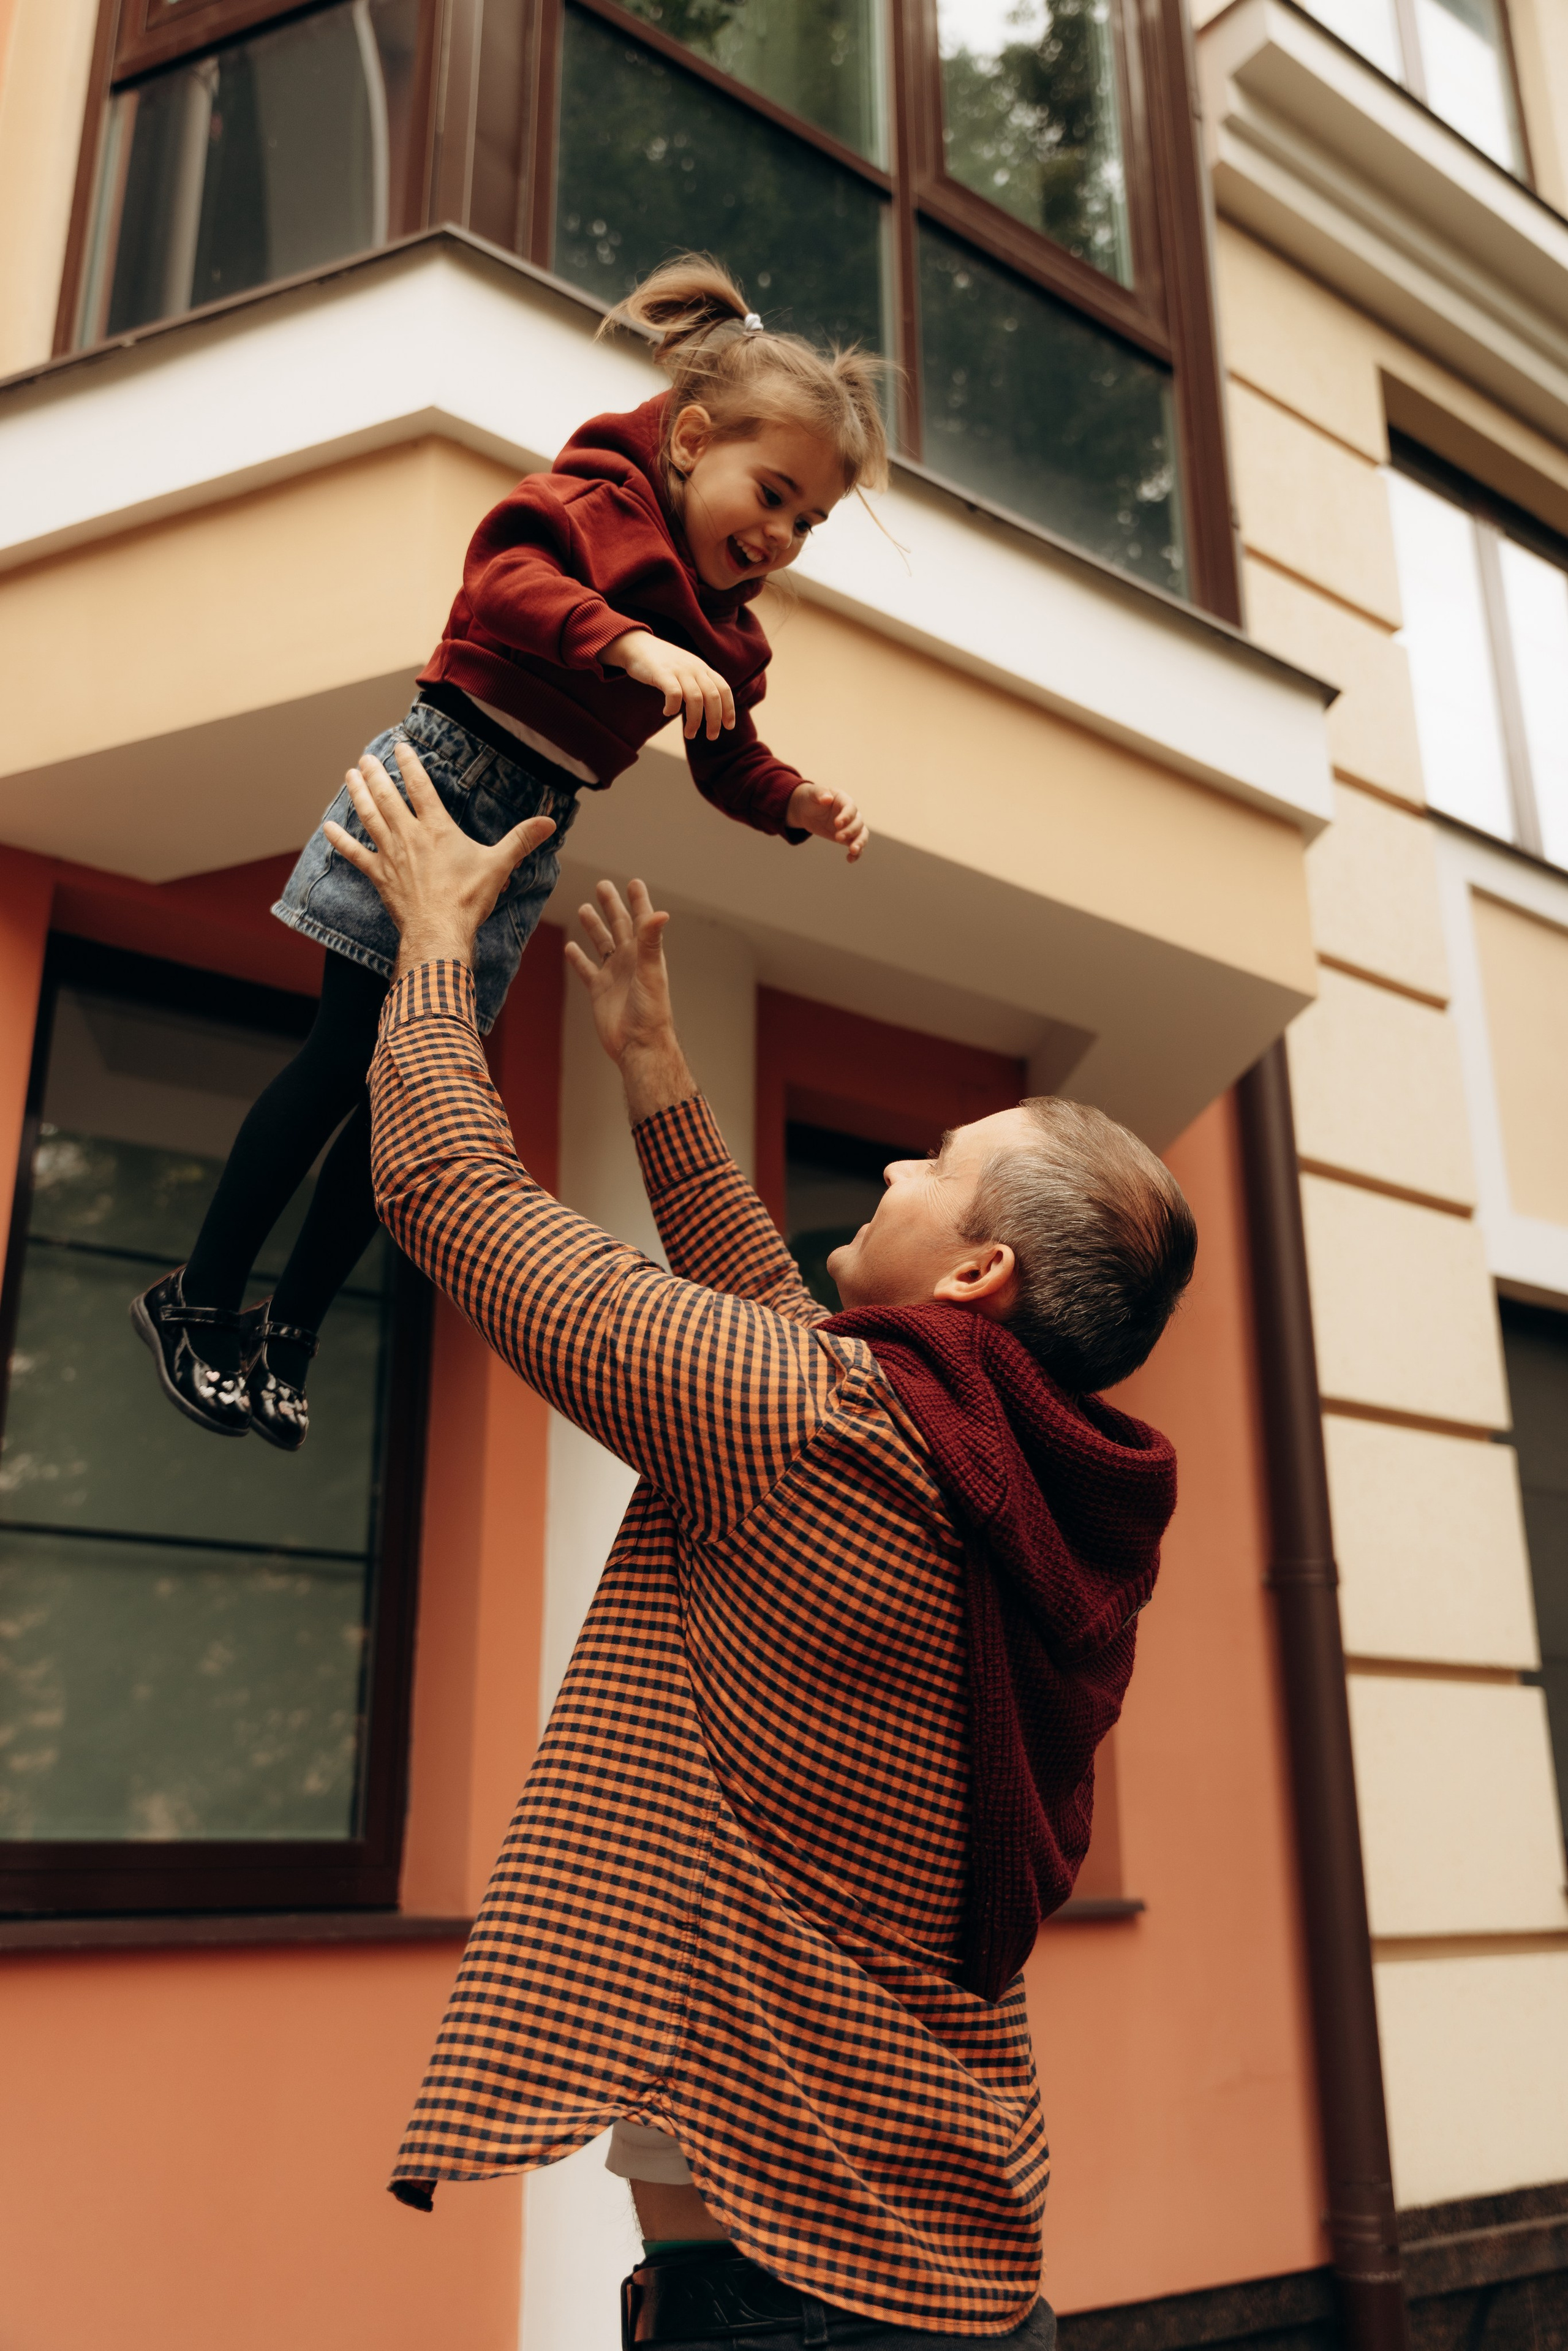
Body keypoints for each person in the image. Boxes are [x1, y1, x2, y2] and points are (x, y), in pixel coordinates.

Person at [328, 741, 1196, 2349]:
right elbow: (793, 1343)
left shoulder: (823, 1429)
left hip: (796, 2307)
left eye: (933, 1164)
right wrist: (657, 1074)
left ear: (978, 1272)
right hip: (960, 2272)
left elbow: (444, 1184)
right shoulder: (1008, 1476)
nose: (891, 1162)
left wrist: (439, 942)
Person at [132, 254, 886, 1452]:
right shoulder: (599, 504)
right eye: (774, 493)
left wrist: (794, 802)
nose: (785, 533)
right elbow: (506, 578)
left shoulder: (732, 644)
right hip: (436, 783)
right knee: (340, 1058)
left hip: (520, 835)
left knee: (407, 1103)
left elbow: (728, 757)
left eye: (811, 521)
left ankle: (293, 1329)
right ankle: (200, 1296)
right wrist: (627, 648)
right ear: (690, 439)